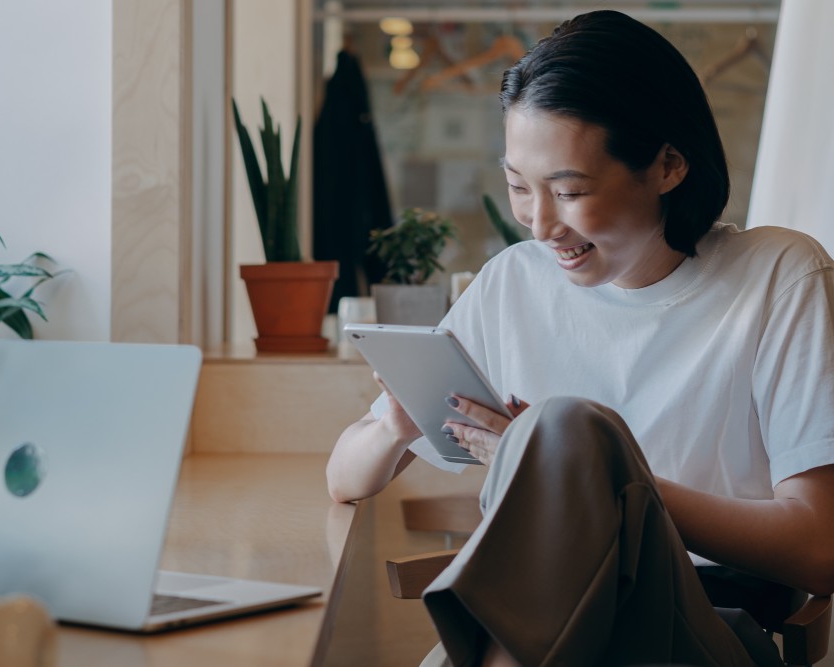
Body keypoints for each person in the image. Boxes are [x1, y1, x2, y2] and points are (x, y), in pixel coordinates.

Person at [326, 10, 834, 667]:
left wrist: (584, 475)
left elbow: (820, 546)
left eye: (569, 191)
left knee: (568, 427)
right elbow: (345, 478)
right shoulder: (511, 285)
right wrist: (395, 422)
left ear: (669, 165)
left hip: (699, 624)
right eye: (517, 187)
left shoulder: (780, 276)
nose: (540, 225)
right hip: (537, 617)